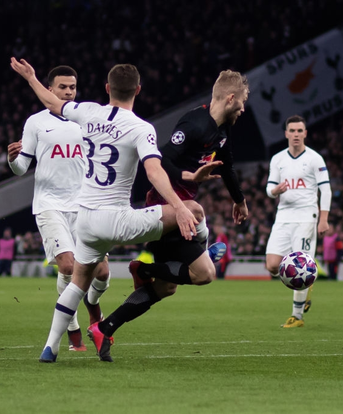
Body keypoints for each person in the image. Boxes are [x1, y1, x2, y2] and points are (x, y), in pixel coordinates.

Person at [11, 57, 201, 363]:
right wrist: (178, 207)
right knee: (194, 210)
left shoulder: (86, 112)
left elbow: (51, 101)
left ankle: (50, 347)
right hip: (116, 219)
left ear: (106, 88)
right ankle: (198, 252)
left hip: (85, 217)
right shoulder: (141, 128)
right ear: (138, 89)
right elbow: (153, 172)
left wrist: (31, 78)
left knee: (79, 281)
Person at [87, 70, 250, 361]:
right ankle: (147, 269)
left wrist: (239, 200)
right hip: (167, 209)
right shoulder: (194, 123)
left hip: (181, 210)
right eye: (242, 102)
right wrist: (189, 177)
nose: (244, 108)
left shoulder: (222, 130)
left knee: (166, 288)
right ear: (231, 98)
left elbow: (227, 165)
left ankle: (106, 326)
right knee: (205, 273)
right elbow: (163, 160)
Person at [7, 65, 111, 352]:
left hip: (84, 205)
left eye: (72, 87)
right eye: (63, 87)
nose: (68, 92)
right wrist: (12, 159)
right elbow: (20, 168)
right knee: (68, 265)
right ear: (49, 90)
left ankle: (93, 303)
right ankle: (73, 325)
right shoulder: (36, 123)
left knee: (101, 272)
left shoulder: (85, 120)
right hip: (50, 205)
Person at [264, 115, 332, 328]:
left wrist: (324, 219)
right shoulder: (278, 159)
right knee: (273, 265)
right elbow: (269, 189)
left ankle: (297, 316)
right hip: (283, 216)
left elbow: (326, 189)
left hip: (306, 216)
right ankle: (307, 286)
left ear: (305, 133)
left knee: (300, 267)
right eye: (292, 131)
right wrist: (275, 191)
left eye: (299, 131)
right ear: (286, 134)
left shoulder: (314, 158)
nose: (295, 134)